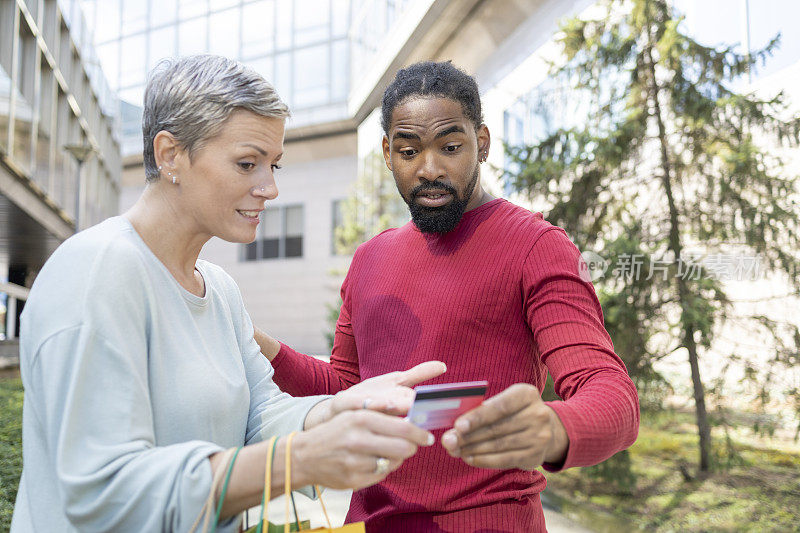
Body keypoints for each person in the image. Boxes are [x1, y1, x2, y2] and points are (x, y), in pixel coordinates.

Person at [10, 55, 447, 533]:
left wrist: (342, 407)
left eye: (273, 164)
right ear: (170, 154)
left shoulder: (218, 289)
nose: (271, 188)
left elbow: (260, 414)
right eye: (247, 163)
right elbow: (107, 491)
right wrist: (298, 459)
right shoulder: (95, 274)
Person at [253, 61, 640, 532]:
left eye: (450, 147)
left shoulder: (537, 246)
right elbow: (347, 393)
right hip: (367, 524)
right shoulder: (369, 259)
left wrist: (555, 429)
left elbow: (612, 394)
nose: (429, 169)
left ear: (482, 143)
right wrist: (258, 345)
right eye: (409, 151)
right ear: (387, 153)